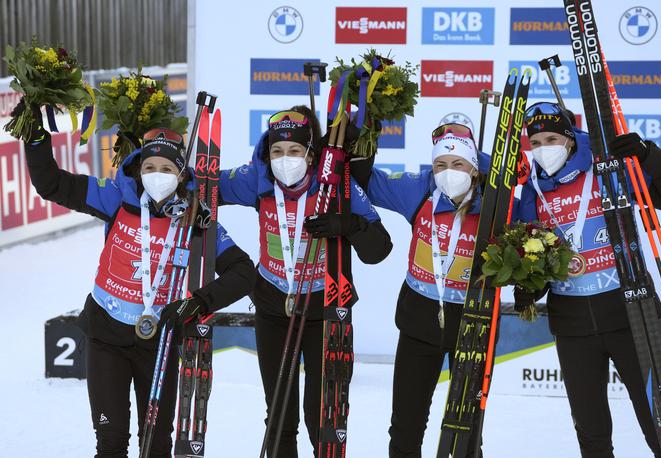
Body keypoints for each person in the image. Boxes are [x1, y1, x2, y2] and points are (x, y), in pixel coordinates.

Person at [16, 99, 256, 458]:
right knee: (110, 444)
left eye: (166, 168)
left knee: (155, 445)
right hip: (106, 338)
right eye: (149, 167)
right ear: (138, 169)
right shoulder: (116, 197)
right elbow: (52, 185)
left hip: (157, 345)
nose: (156, 175)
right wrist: (35, 137)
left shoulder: (195, 220)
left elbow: (244, 273)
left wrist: (196, 303)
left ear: (181, 175)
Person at [515, 101, 661, 458]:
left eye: (552, 138)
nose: (544, 149)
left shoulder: (608, 167)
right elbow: (538, 261)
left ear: (571, 139)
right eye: (536, 143)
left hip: (629, 314)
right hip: (573, 327)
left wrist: (646, 155)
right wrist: (528, 286)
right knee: (591, 433)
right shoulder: (532, 190)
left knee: (660, 425)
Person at [218, 106, 392, 457]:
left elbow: (379, 249)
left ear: (311, 155)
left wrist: (348, 225)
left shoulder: (336, 185)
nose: (286, 160)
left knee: (322, 415)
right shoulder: (259, 179)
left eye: (295, 151)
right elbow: (206, 188)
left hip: (323, 310)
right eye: (278, 151)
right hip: (272, 306)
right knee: (279, 412)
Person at [351, 123, 490, 458]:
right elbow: (365, 181)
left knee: (466, 431)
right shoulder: (420, 190)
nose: (448, 172)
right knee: (405, 428)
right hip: (419, 324)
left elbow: (538, 234)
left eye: (458, 165)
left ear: (474, 168)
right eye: (441, 164)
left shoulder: (495, 200)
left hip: (473, 326)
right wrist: (367, 124)